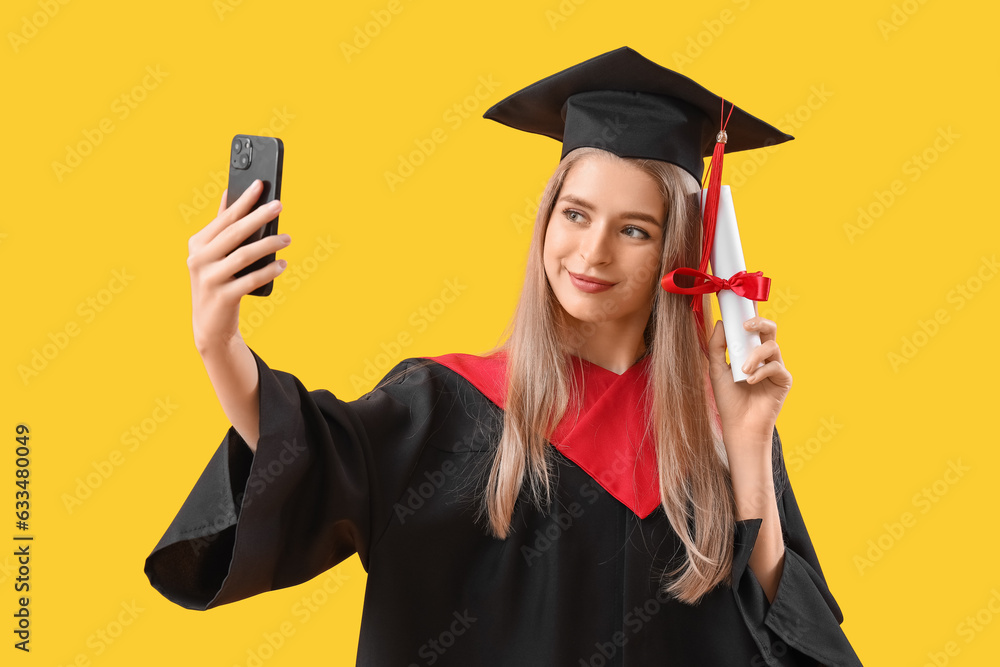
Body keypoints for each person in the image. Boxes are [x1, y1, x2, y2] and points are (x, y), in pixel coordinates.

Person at [146, 47, 863, 666]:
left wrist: (748, 442)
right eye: (575, 213)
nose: (591, 251)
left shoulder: (716, 431)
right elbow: (305, 453)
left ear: (680, 255)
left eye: (635, 230)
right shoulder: (448, 405)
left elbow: (797, 644)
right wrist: (219, 340)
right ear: (546, 218)